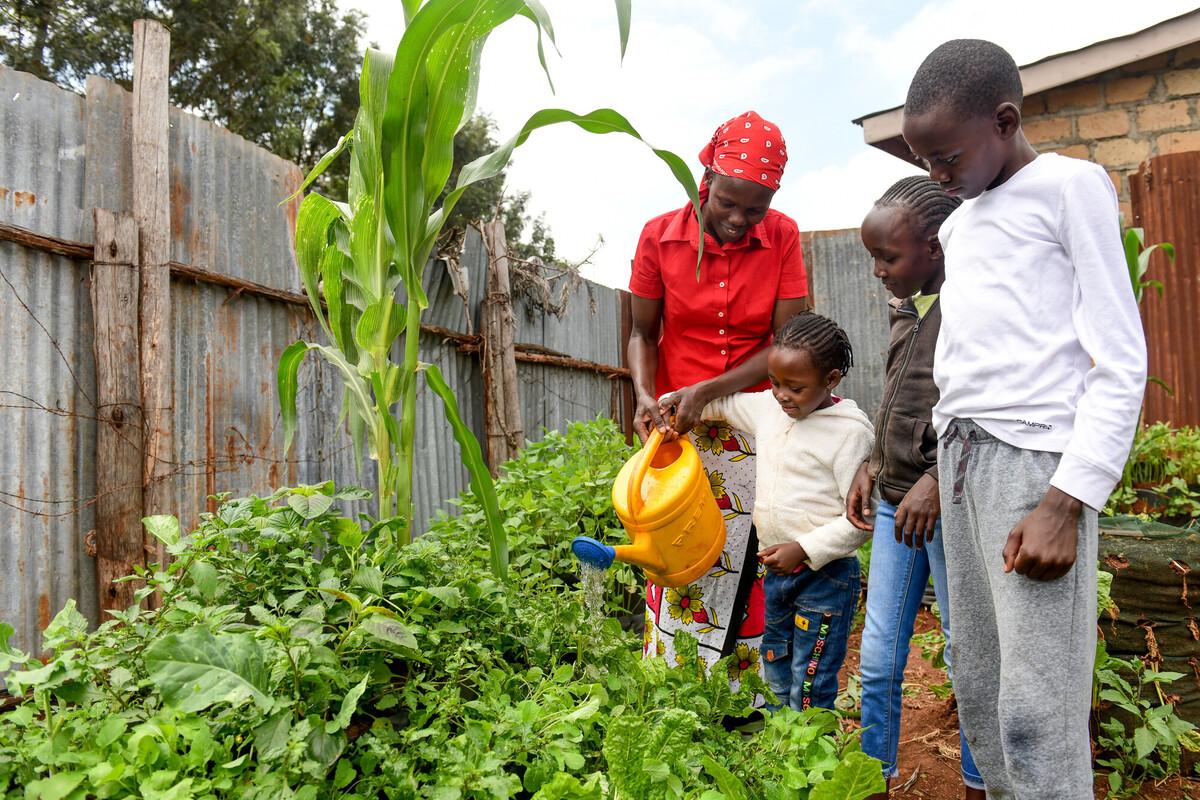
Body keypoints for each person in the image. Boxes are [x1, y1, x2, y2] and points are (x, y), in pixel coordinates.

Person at [899, 40, 1147, 798]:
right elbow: (969, 368)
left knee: (1037, 713)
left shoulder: (1070, 187)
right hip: (966, 463)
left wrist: (1066, 501)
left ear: (1005, 121)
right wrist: (941, 469)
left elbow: (1120, 360)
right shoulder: (963, 223)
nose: (938, 178)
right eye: (925, 164)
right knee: (981, 693)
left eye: (947, 158)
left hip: (1035, 470)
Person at [628, 110, 808, 684]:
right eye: (728, 203)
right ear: (705, 181)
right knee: (677, 545)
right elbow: (640, 334)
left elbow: (787, 343)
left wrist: (710, 390)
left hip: (758, 422)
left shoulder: (781, 236)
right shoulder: (659, 236)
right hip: (679, 426)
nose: (739, 220)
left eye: (755, 208)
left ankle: (740, 692)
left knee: (750, 554)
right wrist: (642, 395)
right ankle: (672, 683)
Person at [845, 176, 984, 799]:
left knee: (966, 653)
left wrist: (933, 476)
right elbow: (904, 400)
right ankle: (876, 779)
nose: (877, 271)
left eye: (888, 258)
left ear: (936, 246)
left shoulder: (973, 305)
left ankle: (983, 782)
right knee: (876, 661)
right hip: (893, 504)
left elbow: (981, 409)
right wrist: (875, 461)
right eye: (874, 257)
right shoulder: (909, 306)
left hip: (948, 508)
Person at [660, 311, 874, 711]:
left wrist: (804, 548)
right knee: (774, 667)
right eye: (775, 383)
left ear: (830, 380)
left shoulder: (849, 433)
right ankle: (778, 755)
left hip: (825, 577)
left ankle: (809, 761)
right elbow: (723, 405)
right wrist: (680, 402)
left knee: (811, 680)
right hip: (777, 574)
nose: (781, 395)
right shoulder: (769, 409)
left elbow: (860, 522)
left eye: (795, 387)